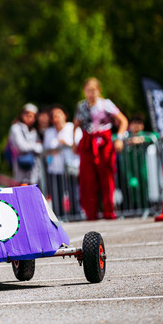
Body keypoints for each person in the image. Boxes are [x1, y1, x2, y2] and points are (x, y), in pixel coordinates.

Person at [73, 77, 128, 220]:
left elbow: (123, 121)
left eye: (93, 90)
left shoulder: (106, 104)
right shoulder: (81, 106)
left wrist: (119, 138)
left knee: (106, 177)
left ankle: (109, 211)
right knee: (87, 179)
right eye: (88, 90)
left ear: (99, 90)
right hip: (87, 143)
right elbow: (76, 124)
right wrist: (74, 142)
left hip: (103, 143)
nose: (91, 93)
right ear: (84, 92)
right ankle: (91, 213)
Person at [42, 105, 82, 217]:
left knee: (74, 193)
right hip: (55, 168)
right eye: (53, 116)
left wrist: (66, 143)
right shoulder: (49, 132)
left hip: (71, 166)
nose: (56, 118)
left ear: (65, 115)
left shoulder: (72, 128)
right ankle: (59, 217)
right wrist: (51, 150)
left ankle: (76, 215)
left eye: (58, 114)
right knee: (56, 195)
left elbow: (79, 146)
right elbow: (45, 149)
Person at [8, 103, 43, 185]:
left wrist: (29, 145)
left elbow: (41, 147)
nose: (30, 118)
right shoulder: (16, 128)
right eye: (28, 115)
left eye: (33, 116)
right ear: (22, 114)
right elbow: (22, 147)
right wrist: (35, 146)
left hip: (34, 171)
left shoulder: (35, 130)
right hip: (21, 170)